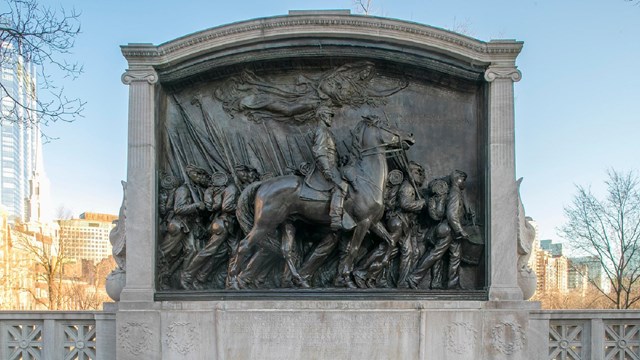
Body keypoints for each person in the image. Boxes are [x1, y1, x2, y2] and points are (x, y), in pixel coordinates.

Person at [179, 165, 256, 290]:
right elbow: (226, 207)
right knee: (209, 251)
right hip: (223, 224)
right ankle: (187, 276)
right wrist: (243, 207)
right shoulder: (232, 189)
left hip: (231, 227)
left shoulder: (235, 188)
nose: (247, 176)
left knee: (232, 252)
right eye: (244, 173)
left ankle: (221, 280)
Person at [406, 170, 472, 289]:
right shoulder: (455, 193)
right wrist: (460, 230)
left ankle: (453, 284)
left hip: (451, 231)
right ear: (458, 179)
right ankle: (414, 277)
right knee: (435, 254)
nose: (464, 183)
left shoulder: (455, 192)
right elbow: (452, 214)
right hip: (449, 230)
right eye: (463, 180)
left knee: (455, 256)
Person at [158, 165, 209, 288]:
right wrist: (196, 205)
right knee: (166, 253)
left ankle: (184, 280)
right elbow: (178, 209)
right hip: (178, 226)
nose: (202, 178)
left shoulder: (196, 190)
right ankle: (161, 279)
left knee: (192, 250)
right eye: (199, 175)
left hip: (187, 226)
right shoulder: (183, 190)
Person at [311, 106, 353, 231]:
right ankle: (335, 218)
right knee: (341, 186)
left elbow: (331, 153)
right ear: (323, 116)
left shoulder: (327, 131)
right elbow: (320, 152)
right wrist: (326, 169)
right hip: (326, 167)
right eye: (329, 115)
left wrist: (341, 160)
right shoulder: (321, 131)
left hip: (332, 165)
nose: (330, 119)